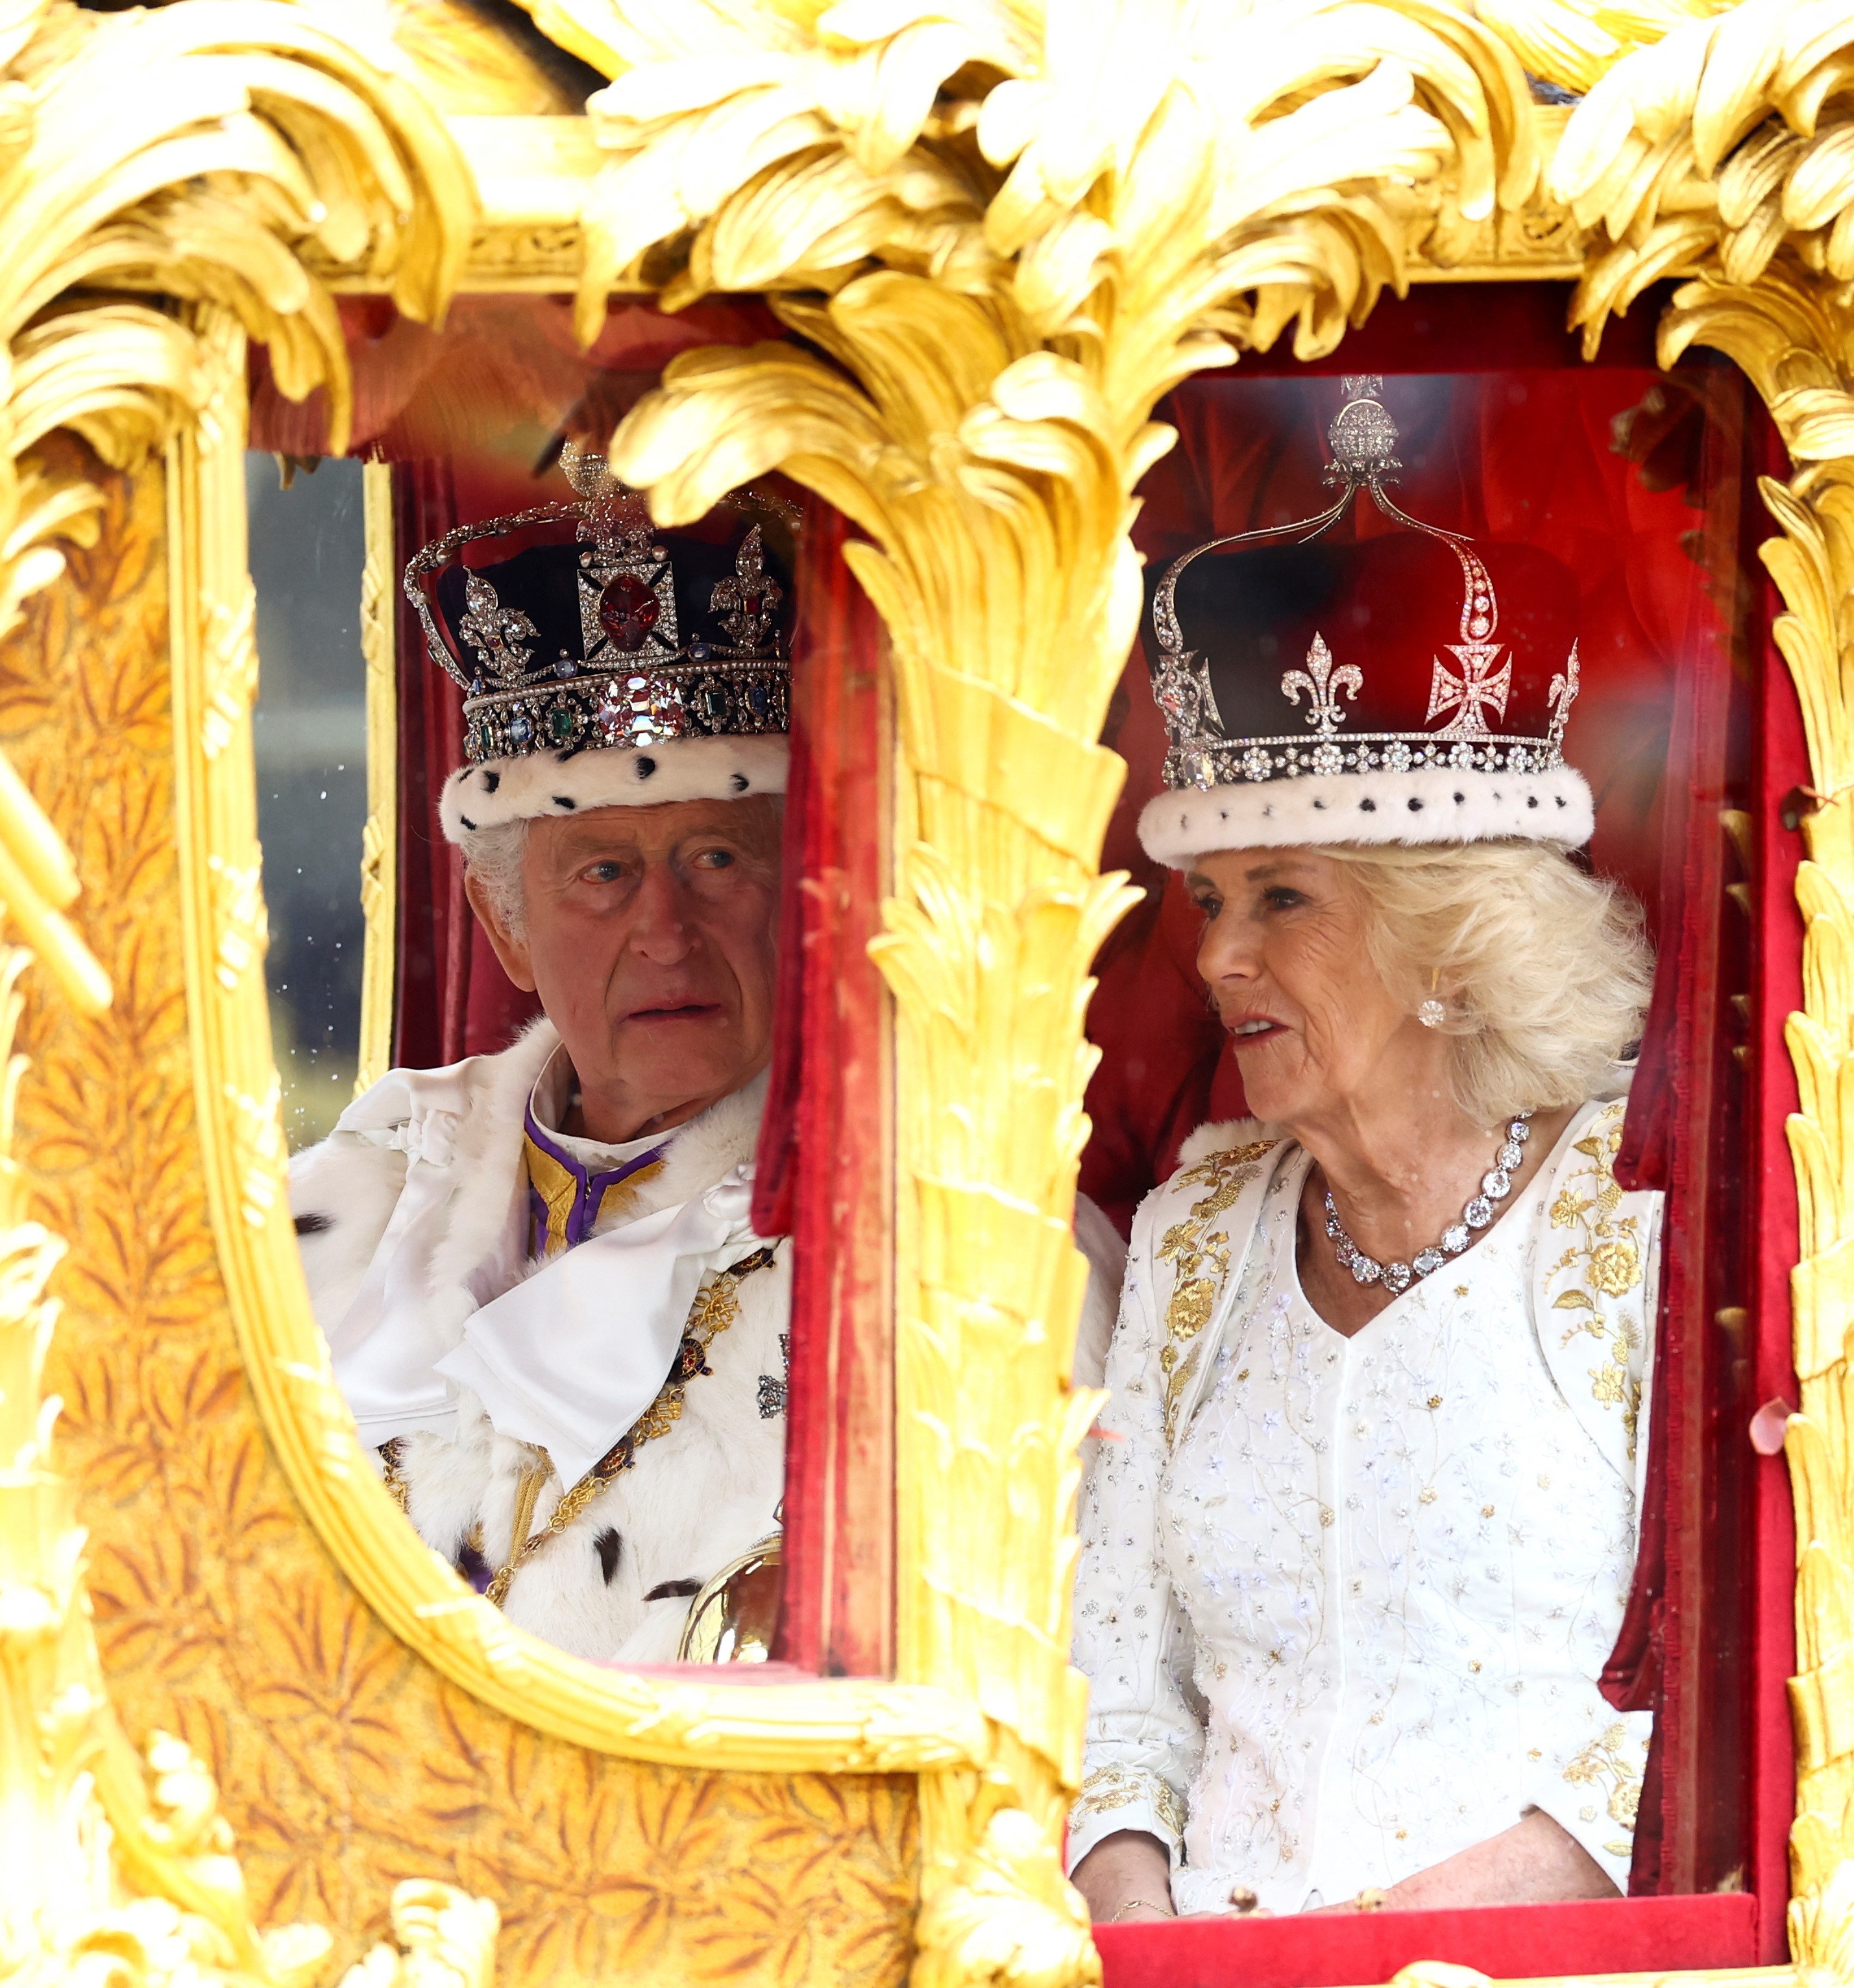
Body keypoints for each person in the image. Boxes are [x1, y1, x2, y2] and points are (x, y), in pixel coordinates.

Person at [293, 452, 1121, 1662]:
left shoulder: (960, 1232)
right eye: (602, 874)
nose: (665, 931)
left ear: (809, 898)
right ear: (503, 933)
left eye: (719, 860)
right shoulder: (365, 1182)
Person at [1070, 380, 1660, 1919]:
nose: (1210, 961)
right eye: (1209, 900)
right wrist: (1148, 1949)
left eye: (1281, 899)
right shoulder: (1196, 1230)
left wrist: (1370, 1957)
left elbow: (1669, 1730)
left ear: (1445, 945)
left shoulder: (1633, 1217)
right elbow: (1120, 1700)